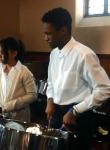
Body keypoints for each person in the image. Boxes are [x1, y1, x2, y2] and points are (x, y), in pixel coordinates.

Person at [41, 7, 110, 150]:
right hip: (57, 114)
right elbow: (52, 81)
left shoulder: (84, 54)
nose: (45, 38)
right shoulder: (53, 54)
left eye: (49, 33)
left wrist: (75, 110)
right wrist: (50, 99)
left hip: (79, 116)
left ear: (63, 30)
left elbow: (105, 89)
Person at [0, 37, 37, 122]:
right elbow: (3, 89)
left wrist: (11, 105)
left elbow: (33, 95)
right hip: (3, 115)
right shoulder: (0, 69)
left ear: (14, 53)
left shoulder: (24, 72)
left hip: (19, 117)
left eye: (3, 53)